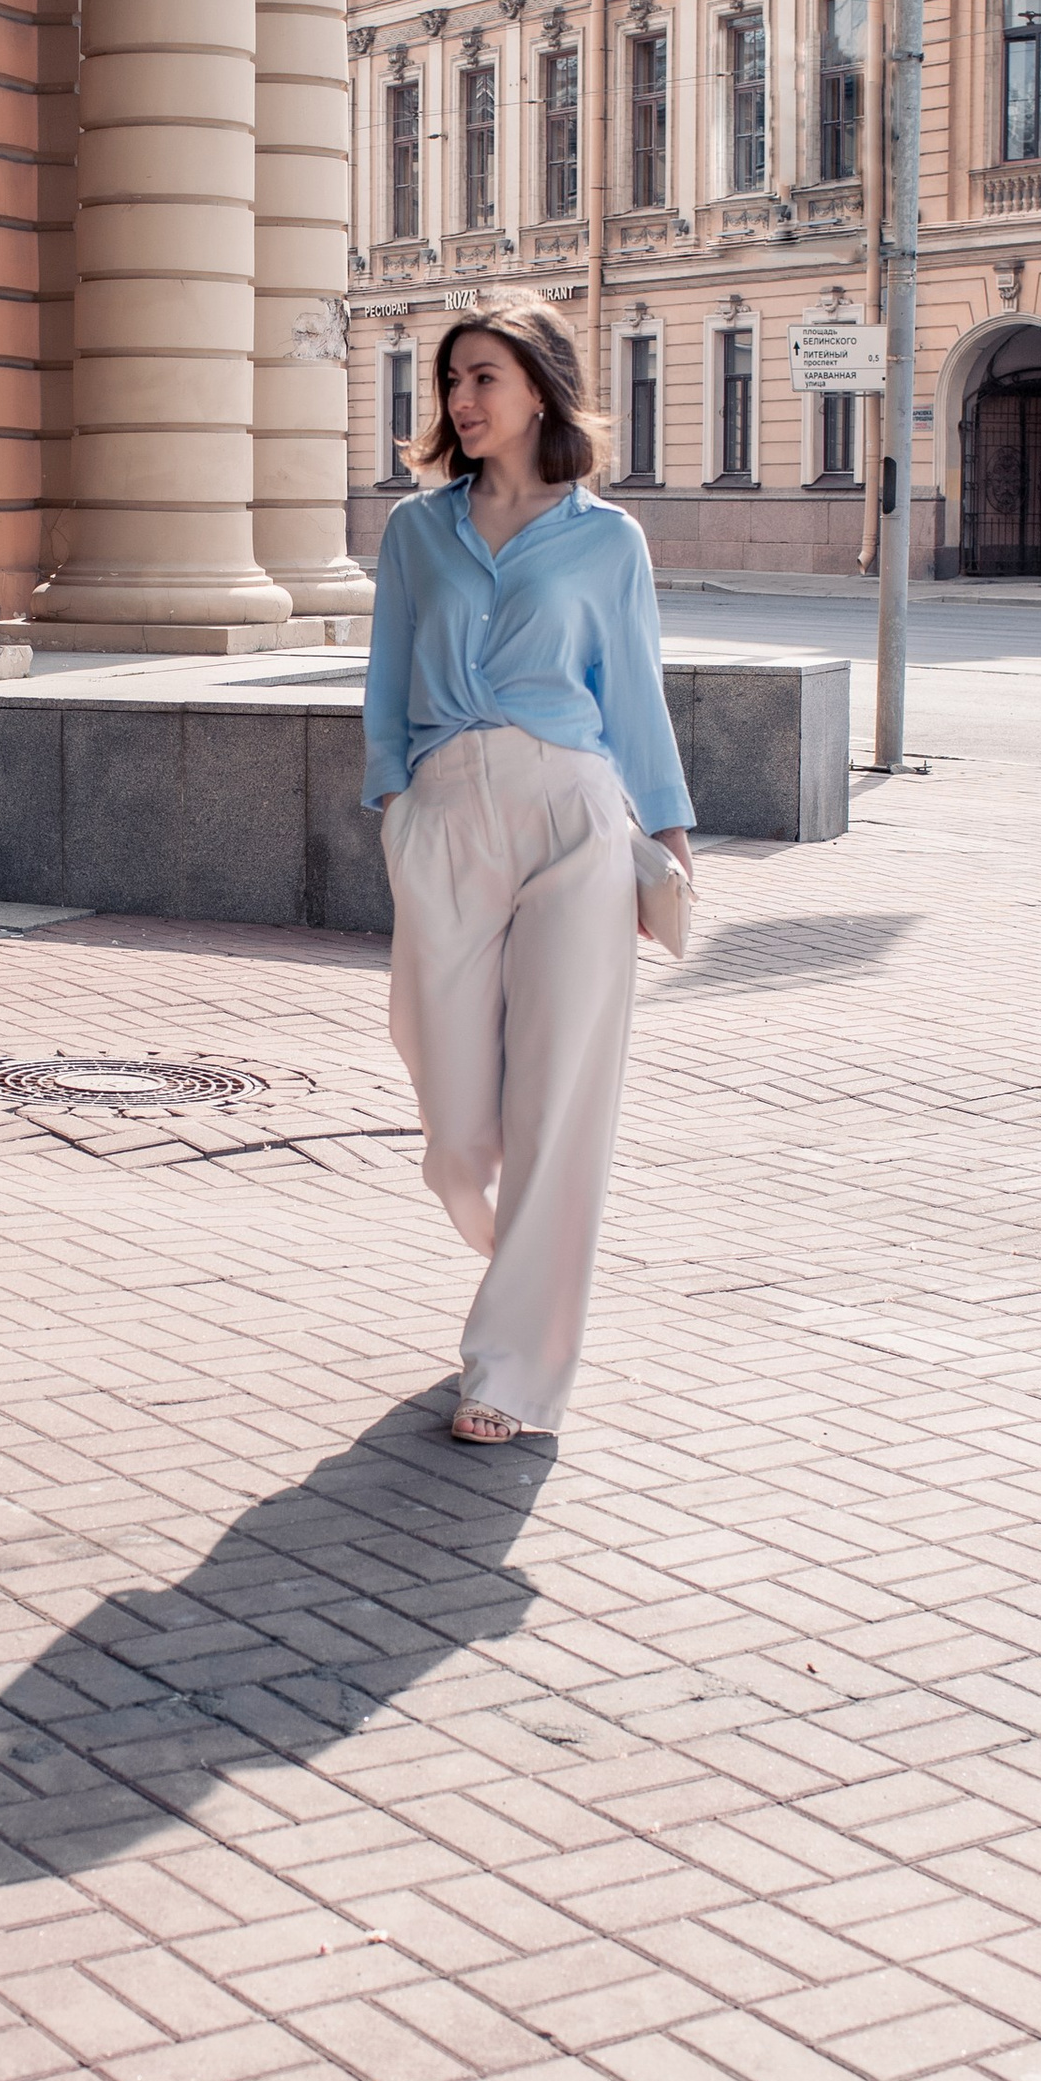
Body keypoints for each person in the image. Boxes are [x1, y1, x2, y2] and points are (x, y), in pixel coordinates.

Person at [362, 293, 694, 1446]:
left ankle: (512, 1370)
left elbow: (634, 694)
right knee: (456, 1122)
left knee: (560, 1101)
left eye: (481, 378)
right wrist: (396, 806)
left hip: (573, 819)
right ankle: (521, 1265)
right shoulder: (416, 531)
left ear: (538, 388)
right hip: (446, 814)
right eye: (450, 381)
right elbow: (385, 677)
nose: (458, 400)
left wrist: (667, 834)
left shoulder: (607, 540)